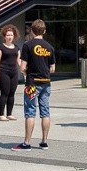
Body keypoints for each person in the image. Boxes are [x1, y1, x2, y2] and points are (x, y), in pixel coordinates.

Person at [13, 19, 56, 151]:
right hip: (46, 83)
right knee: (45, 112)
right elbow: (53, 69)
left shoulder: (28, 45)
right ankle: (44, 141)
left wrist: (23, 67)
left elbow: (22, 67)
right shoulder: (50, 47)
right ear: (44, 31)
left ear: (31, 31)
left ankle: (27, 143)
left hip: (32, 84)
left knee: (30, 112)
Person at [0, 24, 20, 122]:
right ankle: (1, 114)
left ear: (14, 36)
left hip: (14, 72)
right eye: (8, 35)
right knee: (4, 93)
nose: (10, 37)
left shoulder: (17, 48)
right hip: (3, 71)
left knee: (12, 93)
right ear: (4, 36)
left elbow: (19, 61)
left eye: (11, 35)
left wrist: (24, 71)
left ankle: (9, 113)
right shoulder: (0, 48)